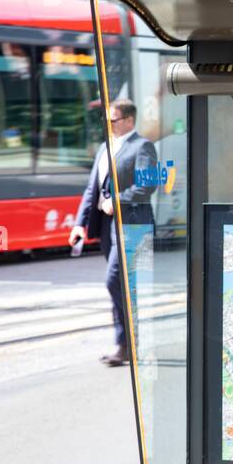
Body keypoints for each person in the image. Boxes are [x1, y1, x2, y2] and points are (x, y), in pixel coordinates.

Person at [69, 99, 158, 367]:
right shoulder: (103, 149)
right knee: (121, 287)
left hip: (132, 225)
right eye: (106, 121)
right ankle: (124, 345)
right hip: (108, 227)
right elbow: (91, 190)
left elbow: (148, 185)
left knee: (114, 281)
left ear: (129, 121)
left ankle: (131, 340)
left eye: (113, 120)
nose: (107, 125)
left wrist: (116, 201)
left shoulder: (142, 147)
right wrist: (79, 224)